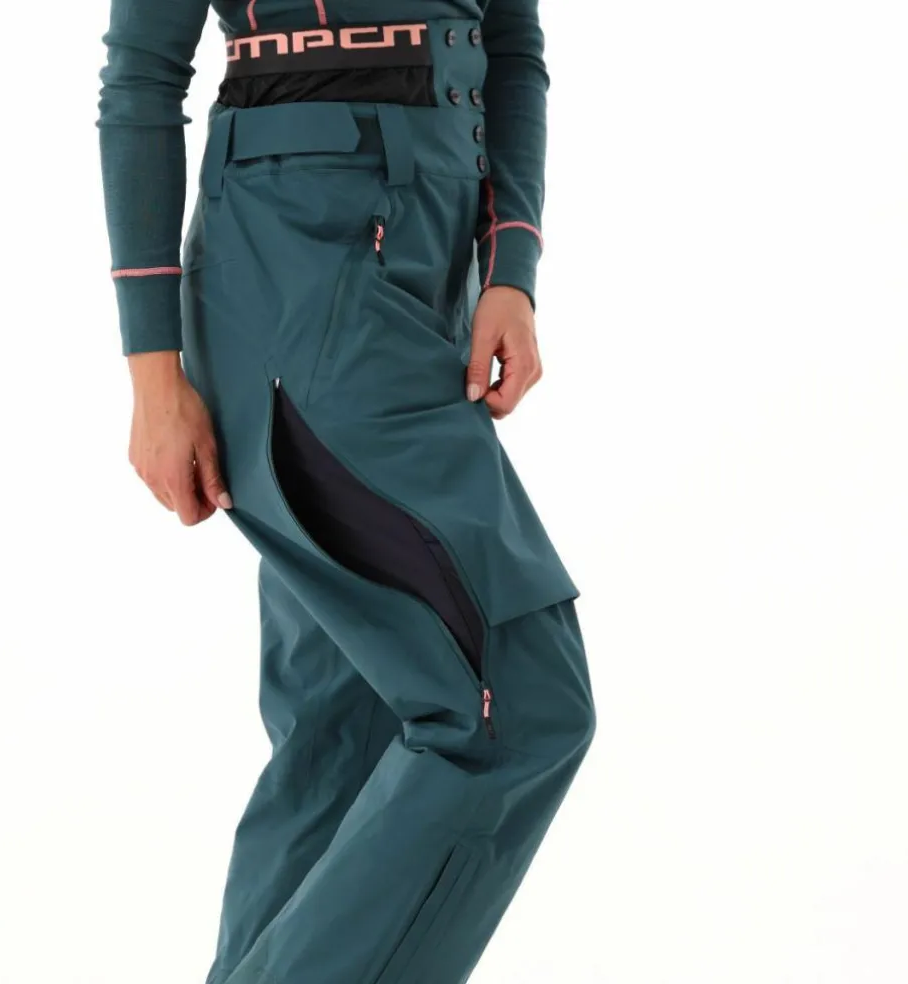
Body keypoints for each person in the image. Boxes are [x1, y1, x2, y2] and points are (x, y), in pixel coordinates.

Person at [98, 2, 596, 981]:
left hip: (432, 279)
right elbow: (140, 80)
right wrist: (153, 373)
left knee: (344, 737)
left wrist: (513, 269)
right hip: (295, 272)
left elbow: (510, 46)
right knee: (514, 704)